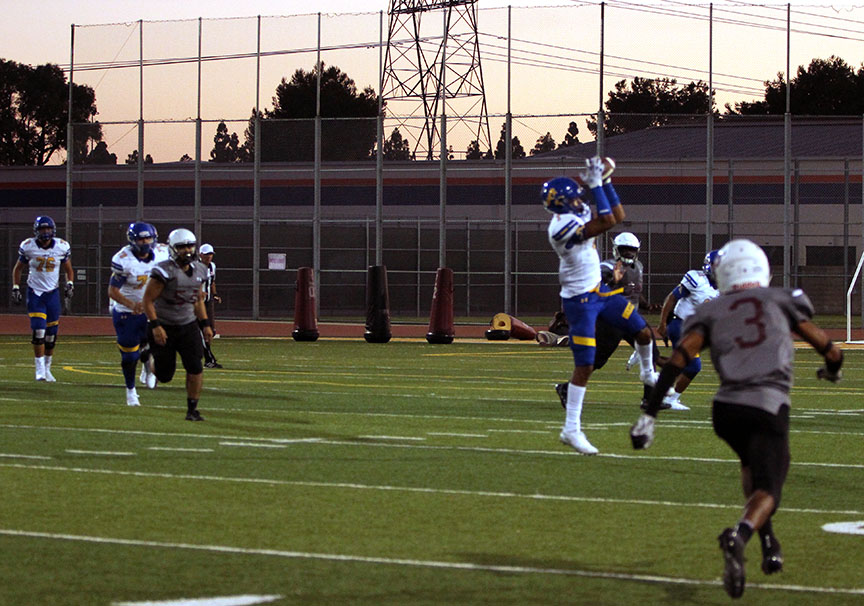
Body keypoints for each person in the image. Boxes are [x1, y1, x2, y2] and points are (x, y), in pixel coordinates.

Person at [630, 239, 844, 599]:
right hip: (767, 405)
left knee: (752, 465)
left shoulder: (713, 309)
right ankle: (740, 535)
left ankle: (769, 541)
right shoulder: (781, 299)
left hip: (726, 411)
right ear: (762, 268)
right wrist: (832, 371)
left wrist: (649, 415)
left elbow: (680, 359)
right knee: (771, 487)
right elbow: (830, 349)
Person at [543, 156, 658, 455]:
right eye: (575, 196)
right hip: (579, 301)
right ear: (563, 203)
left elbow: (617, 214)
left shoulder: (576, 210)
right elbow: (608, 220)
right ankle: (571, 429)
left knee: (643, 332)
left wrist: (605, 182)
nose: (580, 199)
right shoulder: (561, 228)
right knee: (586, 364)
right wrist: (598, 184)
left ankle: (648, 373)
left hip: (599, 291)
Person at [554, 231, 665, 410]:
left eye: (631, 250)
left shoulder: (639, 266)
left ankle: (649, 399)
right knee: (596, 361)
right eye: (624, 249)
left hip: (632, 318)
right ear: (616, 249)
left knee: (650, 351)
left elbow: (633, 291)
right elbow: (599, 282)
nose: (628, 253)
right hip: (611, 319)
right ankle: (566, 388)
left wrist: (646, 305)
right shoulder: (607, 266)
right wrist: (612, 278)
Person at [142, 228, 213, 421]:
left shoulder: (200, 269)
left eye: (190, 246)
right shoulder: (163, 271)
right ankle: (149, 356)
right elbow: (147, 300)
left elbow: (198, 299)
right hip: (164, 324)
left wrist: (205, 324)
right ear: (173, 249)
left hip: (188, 324)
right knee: (165, 376)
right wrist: (156, 326)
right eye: (182, 247)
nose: (187, 250)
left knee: (195, 367)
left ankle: (192, 409)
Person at [108, 222, 169, 406]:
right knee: (129, 356)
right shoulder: (123, 259)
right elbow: (112, 291)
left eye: (148, 238)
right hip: (126, 310)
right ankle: (130, 391)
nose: (145, 242)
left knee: (158, 343)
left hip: (152, 308)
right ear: (133, 240)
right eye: (141, 238)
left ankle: (149, 368)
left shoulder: (162, 253)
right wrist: (131, 304)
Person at [651, 249, 721, 410]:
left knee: (680, 364)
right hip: (680, 325)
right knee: (693, 366)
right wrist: (662, 323)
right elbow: (672, 297)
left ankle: (649, 357)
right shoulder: (696, 279)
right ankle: (669, 399)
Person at [11, 216, 74, 382]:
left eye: (47, 229)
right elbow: (18, 269)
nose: (45, 232)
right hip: (35, 293)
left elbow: (69, 268)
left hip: (52, 293)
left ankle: (47, 368)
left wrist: (70, 283)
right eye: (42, 229)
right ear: (36, 231)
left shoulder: (62, 246)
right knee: (39, 330)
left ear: (53, 230)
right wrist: (16, 287)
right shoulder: (28, 246)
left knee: (51, 335)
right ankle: (39, 369)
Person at [198, 243, 222, 368]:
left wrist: (215, 294)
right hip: (196, 303)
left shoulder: (212, 267)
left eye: (211, 254)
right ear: (200, 255)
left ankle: (207, 356)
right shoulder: (195, 267)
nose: (209, 257)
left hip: (208, 302)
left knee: (210, 330)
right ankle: (208, 358)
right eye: (207, 254)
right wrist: (198, 292)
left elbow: (212, 282)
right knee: (200, 330)